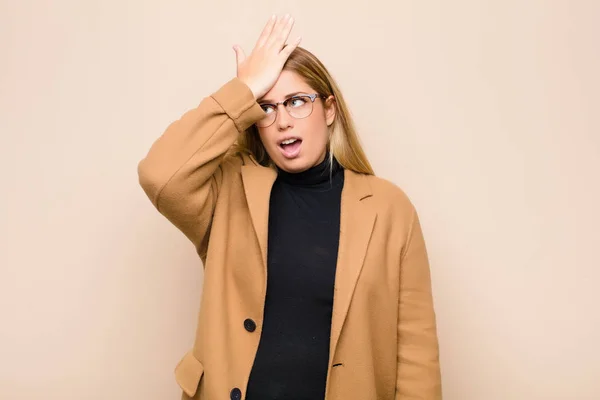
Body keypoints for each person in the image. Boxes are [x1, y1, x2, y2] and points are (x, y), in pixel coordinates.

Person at [138, 13, 442, 400]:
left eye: (297, 101)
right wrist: (242, 91)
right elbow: (159, 175)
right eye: (266, 107)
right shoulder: (229, 191)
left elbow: (416, 352)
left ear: (329, 110)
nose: (282, 121)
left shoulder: (389, 208)